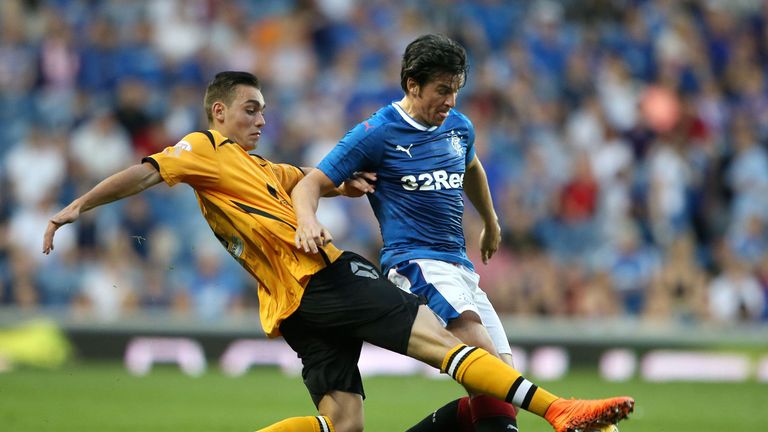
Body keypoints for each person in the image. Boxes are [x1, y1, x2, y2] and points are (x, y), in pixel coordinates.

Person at [43, 71, 633, 432]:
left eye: (265, 110)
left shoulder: (261, 167)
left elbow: (307, 178)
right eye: (251, 108)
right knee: (445, 344)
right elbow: (145, 174)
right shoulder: (203, 147)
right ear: (219, 110)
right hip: (321, 278)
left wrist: (341, 184)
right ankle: (558, 409)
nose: (261, 118)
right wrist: (79, 206)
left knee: (342, 424)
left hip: (291, 307)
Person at [291, 34, 518, 431]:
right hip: (416, 263)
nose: (450, 101)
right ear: (413, 84)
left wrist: (491, 221)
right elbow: (308, 184)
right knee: (490, 366)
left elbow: (473, 169)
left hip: (459, 267)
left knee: (502, 389)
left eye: (456, 91)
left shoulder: (458, 128)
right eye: (442, 90)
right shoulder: (376, 132)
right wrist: (308, 220)